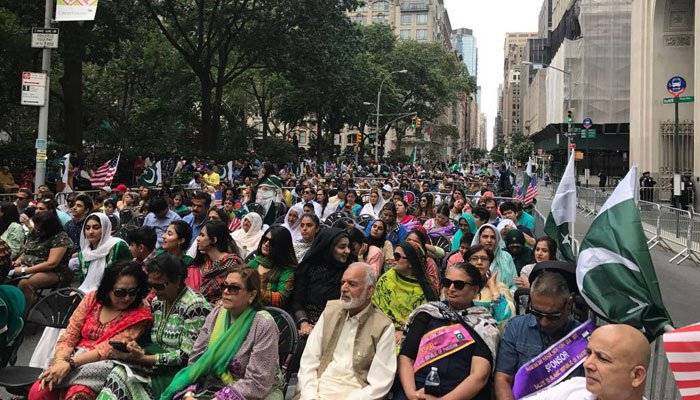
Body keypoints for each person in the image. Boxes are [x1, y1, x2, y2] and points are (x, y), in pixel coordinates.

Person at [28, 261, 152, 400]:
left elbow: (107, 349)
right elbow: (70, 334)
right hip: (72, 356)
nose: (127, 298)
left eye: (132, 292)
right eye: (120, 292)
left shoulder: (140, 314)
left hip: (102, 365)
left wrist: (69, 364)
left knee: (78, 395)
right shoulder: (92, 299)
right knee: (39, 392)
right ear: (108, 288)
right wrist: (60, 362)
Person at [97, 254, 211, 400]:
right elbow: (154, 340)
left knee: (121, 378)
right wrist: (135, 349)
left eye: (159, 286)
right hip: (153, 365)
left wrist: (144, 358)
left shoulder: (195, 306)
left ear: (177, 280)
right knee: (118, 373)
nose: (153, 291)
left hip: (179, 373)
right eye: (151, 285)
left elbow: (186, 356)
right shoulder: (158, 302)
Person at [160, 266, 284, 400]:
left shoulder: (263, 324)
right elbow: (197, 360)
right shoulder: (217, 313)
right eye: (224, 286)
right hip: (213, 386)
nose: (226, 291)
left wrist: (219, 398)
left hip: (255, 394)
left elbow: (257, 383)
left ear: (252, 295)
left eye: (234, 288)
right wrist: (189, 393)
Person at [394, 262, 497, 400]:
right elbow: (406, 357)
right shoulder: (427, 313)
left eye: (459, 284)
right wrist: (412, 394)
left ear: (475, 290)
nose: (451, 288)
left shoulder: (484, 325)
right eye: (447, 283)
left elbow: (479, 376)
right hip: (416, 391)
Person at [296, 262, 396, 400]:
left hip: (356, 393)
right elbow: (309, 361)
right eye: (343, 282)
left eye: (352, 284)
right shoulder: (330, 311)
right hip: (318, 389)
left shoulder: (383, 326)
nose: (344, 288)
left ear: (369, 291)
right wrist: (310, 396)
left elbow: (379, 384)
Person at [494, 270, 581, 400]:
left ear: (569, 304)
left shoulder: (583, 337)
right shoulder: (516, 327)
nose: (544, 322)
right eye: (537, 313)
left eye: (552, 316)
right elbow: (503, 379)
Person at [528, 324, 650, 400]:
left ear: (637, 375)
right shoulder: (573, 388)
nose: (587, 364)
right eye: (588, 353)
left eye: (602, 358)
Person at [372, 243, 437, 341]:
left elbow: (425, 322)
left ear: (411, 263)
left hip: (410, 337)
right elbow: (374, 308)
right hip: (380, 330)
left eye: (398, 257)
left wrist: (405, 333)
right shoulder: (386, 279)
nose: (394, 259)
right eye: (394, 255)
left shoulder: (424, 291)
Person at [292, 228, 351, 336]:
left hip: (336, 326)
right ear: (328, 248)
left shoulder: (349, 272)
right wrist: (304, 323)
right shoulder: (308, 268)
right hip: (307, 324)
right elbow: (297, 301)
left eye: (348, 246)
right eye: (342, 247)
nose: (347, 251)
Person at [12, 211, 73, 306]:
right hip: (28, 266)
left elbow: (51, 264)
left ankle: (23, 314)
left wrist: (24, 270)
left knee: (25, 283)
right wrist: (17, 261)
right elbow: (26, 251)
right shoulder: (36, 233)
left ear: (49, 227)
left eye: (38, 227)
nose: (36, 228)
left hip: (54, 271)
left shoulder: (60, 238)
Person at [190, 221, 242, 304]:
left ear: (214, 240)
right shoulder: (207, 262)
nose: (198, 239)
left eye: (202, 235)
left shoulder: (231, 264)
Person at [247, 225, 296, 308]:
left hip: (269, 313)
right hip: (246, 305)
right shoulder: (254, 262)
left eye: (272, 242)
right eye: (265, 239)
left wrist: (251, 292)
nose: (266, 244)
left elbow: (281, 298)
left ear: (281, 247)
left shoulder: (287, 271)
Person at [464, 245, 515, 323]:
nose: (479, 262)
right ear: (467, 262)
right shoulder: (458, 285)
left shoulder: (500, 287)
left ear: (490, 264)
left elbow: (507, 319)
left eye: (484, 259)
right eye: (474, 259)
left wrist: (493, 288)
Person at [471, 224, 517, 291]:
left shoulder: (506, 257)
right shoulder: (472, 257)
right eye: (485, 236)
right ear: (479, 238)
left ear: (497, 239)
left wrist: (506, 296)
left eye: (493, 237)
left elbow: (515, 284)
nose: (489, 240)